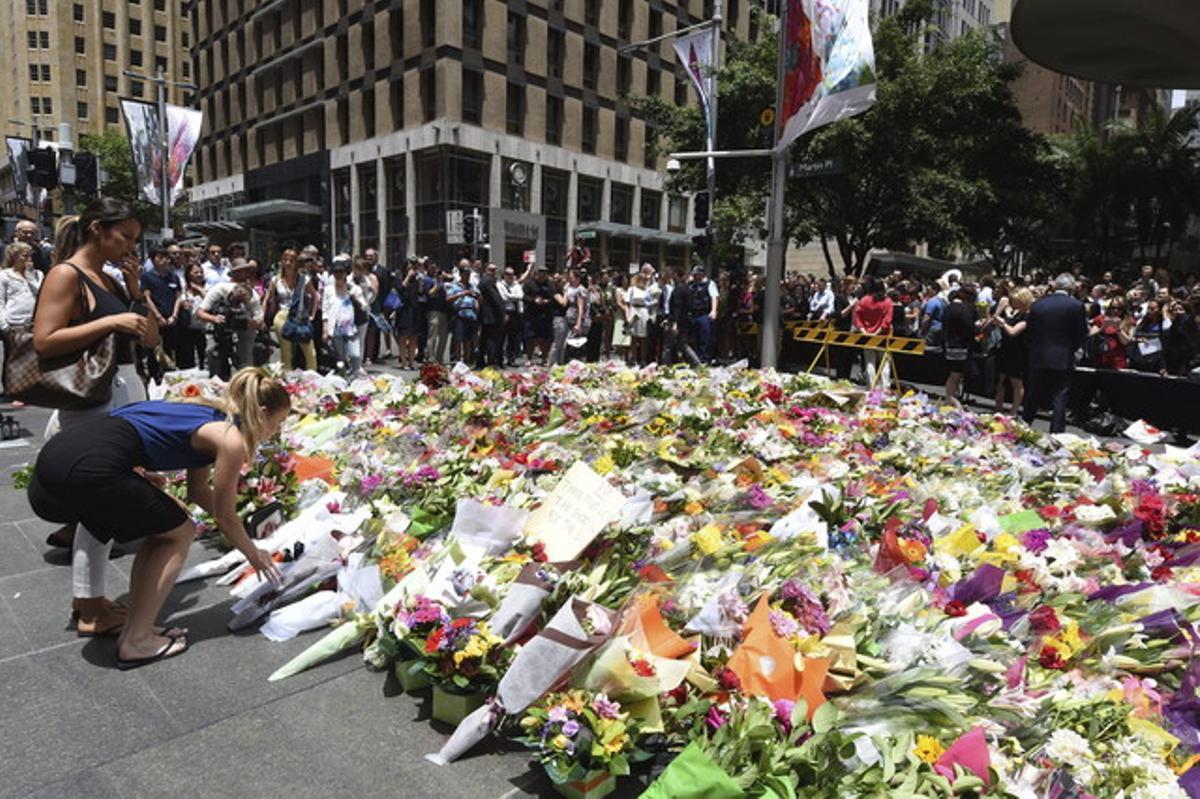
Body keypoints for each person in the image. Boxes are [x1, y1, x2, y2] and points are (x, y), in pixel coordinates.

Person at [28, 368, 288, 667]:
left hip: (55, 463)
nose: (276, 432)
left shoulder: (205, 413)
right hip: (90, 470)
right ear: (263, 412)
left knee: (164, 523)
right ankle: (137, 640)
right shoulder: (231, 440)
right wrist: (253, 553)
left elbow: (198, 491)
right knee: (180, 532)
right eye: (278, 422)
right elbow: (226, 517)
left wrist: (239, 528)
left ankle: (117, 620)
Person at [32, 199, 159, 636]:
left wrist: (137, 293)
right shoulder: (66, 274)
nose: (129, 246)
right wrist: (112, 322)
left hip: (122, 389)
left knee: (103, 500)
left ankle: (90, 601)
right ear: (95, 229)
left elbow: (150, 339)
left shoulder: (110, 278)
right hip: (94, 398)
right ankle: (89, 607)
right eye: (123, 235)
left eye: (135, 240)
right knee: (101, 498)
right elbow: (45, 340)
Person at [1022, 273, 1088, 433]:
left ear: (1055, 286)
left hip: (1039, 355)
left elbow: (1030, 331)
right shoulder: (1076, 305)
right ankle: (1057, 433)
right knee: (1060, 395)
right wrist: (1072, 348)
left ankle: (1024, 425)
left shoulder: (1038, 304)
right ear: (1072, 287)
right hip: (1063, 356)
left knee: (1033, 394)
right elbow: (1081, 333)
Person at [197, 260, 263, 379]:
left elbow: (259, 321)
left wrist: (246, 323)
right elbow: (200, 312)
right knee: (213, 353)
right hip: (218, 330)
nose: (246, 273)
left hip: (244, 330)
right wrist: (214, 318)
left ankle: (245, 385)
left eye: (248, 270)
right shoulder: (220, 288)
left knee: (245, 362)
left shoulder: (253, 295)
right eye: (243, 270)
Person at [268, 248, 318, 372]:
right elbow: (268, 298)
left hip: (300, 316)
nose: (288, 263)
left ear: (296, 262)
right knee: (286, 351)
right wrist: (262, 315)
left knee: (310, 351)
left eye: (291, 260)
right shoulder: (275, 280)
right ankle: (288, 379)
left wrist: (312, 314)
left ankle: (312, 377)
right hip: (282, 316)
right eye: (285, 260)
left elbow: (315, 295)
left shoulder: (303, 279)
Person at [322, 256, 368, 375]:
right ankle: (344, 381)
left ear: (345, 274)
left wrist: (354, 297)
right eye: (336, 272)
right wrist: (325, 330)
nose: (338, 275)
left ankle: (355, 377)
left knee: (355, 355)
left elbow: (364, 306)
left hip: (351, 329)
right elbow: (325, 311)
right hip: (336, 329)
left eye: (341, 272)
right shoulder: (328, 290)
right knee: (340, 360)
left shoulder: (354, 288)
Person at [139, 247, 183, 371]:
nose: (164, 261)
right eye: (160, 258)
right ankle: (154, 376)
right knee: (153, 350)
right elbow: (147, 298)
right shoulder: (147, 277)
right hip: (155, 318)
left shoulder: (174, 277)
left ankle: (169, 374)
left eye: (166, 258)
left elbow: (178, 297)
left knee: (170, 349)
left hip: (171, 318)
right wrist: (158, 316)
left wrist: (174, 315)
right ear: (153, 260)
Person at [992, 288, 1032, 414]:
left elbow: (1013, 332)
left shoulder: (1027, 316)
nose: (1013, 303)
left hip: (1018, 352)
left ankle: (1014, 412)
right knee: (1000, 380)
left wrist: (1003, 324)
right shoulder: (1016, 313)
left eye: (1016, 301)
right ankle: (998, 407)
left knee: (1016, 382)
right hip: (1005, 350)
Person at [942, 286, 978, 403]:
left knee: (953, 373)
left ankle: (952, 397)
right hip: (961, 345)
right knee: (956, 375)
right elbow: (970, 328)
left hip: (949, 343)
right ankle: (951, 398)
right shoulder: (965, 309)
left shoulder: (948, 308)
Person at [0, 242, 45, 333]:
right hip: (14, 323)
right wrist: (3, 325)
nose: (29, 259)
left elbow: (42, 294)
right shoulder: (5, 275)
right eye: (25, 256)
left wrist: (30, 277)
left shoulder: (38, 274)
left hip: (35, 322)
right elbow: (1, 300)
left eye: (30, 256)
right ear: (14, 257)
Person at [177, 263, 211, 371]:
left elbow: (210, 301)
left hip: (204, 329)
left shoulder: (208, 288)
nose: (199, 274)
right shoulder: (184, 289)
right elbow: (178, 301)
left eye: (201, 272)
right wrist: (183, 304)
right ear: (188, 274)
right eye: (196, 272)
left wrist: (199, 289)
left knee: (204, 357)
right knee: (190, 359)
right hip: (188, 328)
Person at [474, 263, 506, 369]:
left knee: (484, 340)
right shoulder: (488, 281)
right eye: (491, 269)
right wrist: (503, 313)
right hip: (492, 316)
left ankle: (481, 362)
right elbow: (495, 299)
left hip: (485, 315)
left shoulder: (483, 280)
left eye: (495, 269)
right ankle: (491, 362)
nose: (494, 272)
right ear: (486, 270)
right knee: (492, 340)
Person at [1088, 297, 1133, 370]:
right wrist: (1103, 327)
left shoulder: (1128, 321)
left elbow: (1126, 341)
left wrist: (1118, 329)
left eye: (1119, 308)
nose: (1116, 310)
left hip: (1118, 361)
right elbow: (1091, 334)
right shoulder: (1101, 318)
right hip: (1101, 358)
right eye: (1113, 308)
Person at [446, 266, 480, 364]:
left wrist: (477, 297)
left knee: (468, 339)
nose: (467, 276)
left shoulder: (472, 286)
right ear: (460, 274)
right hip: (459, 313)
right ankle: (457, 360)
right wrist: (461, 294)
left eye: (468, 274)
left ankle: (467, 360)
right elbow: (448, 298)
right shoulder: (454, 285)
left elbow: (478, 298)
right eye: (465, 274)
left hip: (471, 314)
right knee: (458, 339)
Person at [523, 266, 555, 365]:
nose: (542, 276)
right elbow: (524, 296)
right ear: (536, 274)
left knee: (544, 338)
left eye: (544, 274)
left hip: (545, 314)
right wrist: (534, 300)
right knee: (530, 338)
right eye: (540, 273)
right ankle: (529, 358)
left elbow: (552, 297)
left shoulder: (550, 284)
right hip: (531, 314)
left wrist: (546, 301)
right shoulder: (529, 283)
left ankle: (544, 358)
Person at [351, 255, 379, 367]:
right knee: (351, 339)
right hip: (350, 313)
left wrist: (372, 294)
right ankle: (350, 363)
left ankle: (358, 364)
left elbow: (371, 296)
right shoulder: (348, 280)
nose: (360, 272)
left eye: (362, 270)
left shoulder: (366, 280)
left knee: (361, 340)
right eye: (358, 269)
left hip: (363, 313)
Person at [498, 265, 525, 367]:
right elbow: (503, 297)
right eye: (508, 274)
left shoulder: (516, 285)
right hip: (504, 312)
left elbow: (521, 296)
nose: (510, 276)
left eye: (512, 274)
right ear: (504, 275)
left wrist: (510, 296)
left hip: (515, 313)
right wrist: (513, 297)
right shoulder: (500, 285)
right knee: (502, 337)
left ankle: (511, 358)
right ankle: (499, 359)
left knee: (513, 337)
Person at [625, 272, 651, 366]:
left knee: (644, 337)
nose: (644, 281)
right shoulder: (632, 289)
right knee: (634, 337)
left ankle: (643, 359)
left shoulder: (647, 290)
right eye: (642, 279)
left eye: (646, 280)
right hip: (634, 311)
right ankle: (634, 359)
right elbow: (627, 304)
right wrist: (627, 316)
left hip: (644, 312)